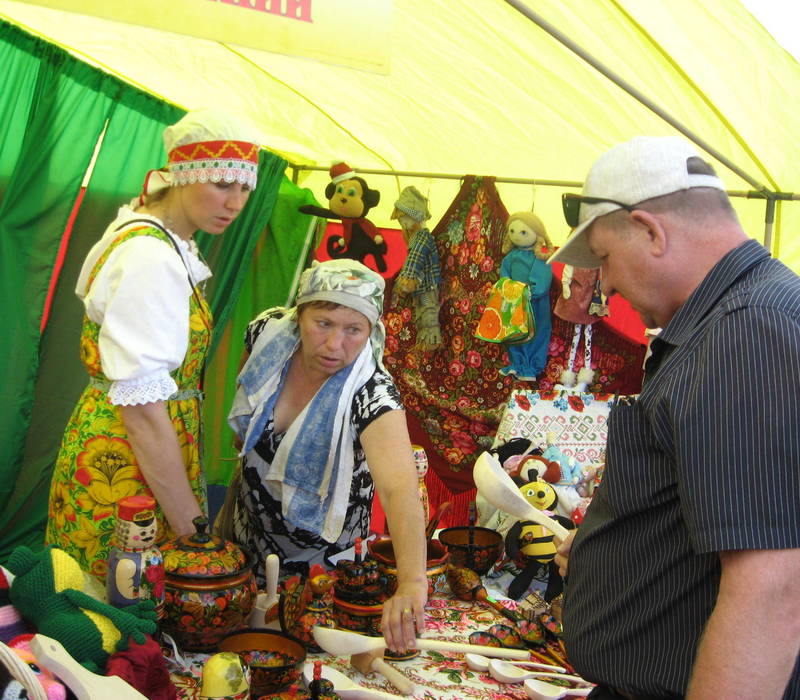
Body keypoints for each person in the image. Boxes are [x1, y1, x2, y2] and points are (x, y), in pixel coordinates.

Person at [549, 136, 800, 699]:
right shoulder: (734, 319)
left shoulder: (747, 330)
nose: (605, 287)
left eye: (605, 259)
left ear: (650, 230)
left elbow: (771, 589)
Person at [45, 109, 260, 580]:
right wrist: (192, 532)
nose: (236, 201)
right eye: (223, 183)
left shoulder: (160, 237)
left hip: (141, 446)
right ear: (185, 175)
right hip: (124, 461)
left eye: (245, 187)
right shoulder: (149, 256)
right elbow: (141, 410)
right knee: (125, 595)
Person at [225, 259, 428, 651]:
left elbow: (400, 490)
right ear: (299, 315)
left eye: (354, 330)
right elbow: (247, 390)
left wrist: (412, 583)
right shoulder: (269, 334)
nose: (335, 346)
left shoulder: (372, 394)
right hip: (244, 542)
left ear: (372, 331)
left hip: (321, 573)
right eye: (323, 324)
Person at [391, 186, 443, 349]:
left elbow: (415, 260)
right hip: (424, 286)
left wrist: (406, 279)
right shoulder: (418, 237)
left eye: (405, 219)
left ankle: (430, 344)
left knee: (428, 314)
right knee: (423, 314)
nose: (403, 224)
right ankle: (426, 344)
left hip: (428, 286)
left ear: (415, 217)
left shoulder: (422, 238)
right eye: (401, 221)